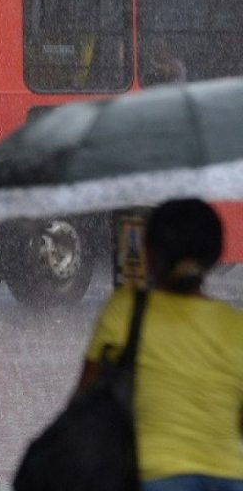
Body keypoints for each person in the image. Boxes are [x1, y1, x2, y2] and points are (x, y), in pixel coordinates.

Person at [78, 199, 243, 491]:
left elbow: (85, 403)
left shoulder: (126, 311)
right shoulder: (235, 326)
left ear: (150, 254)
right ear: (215, 256)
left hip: (151, 476)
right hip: (227, 479)